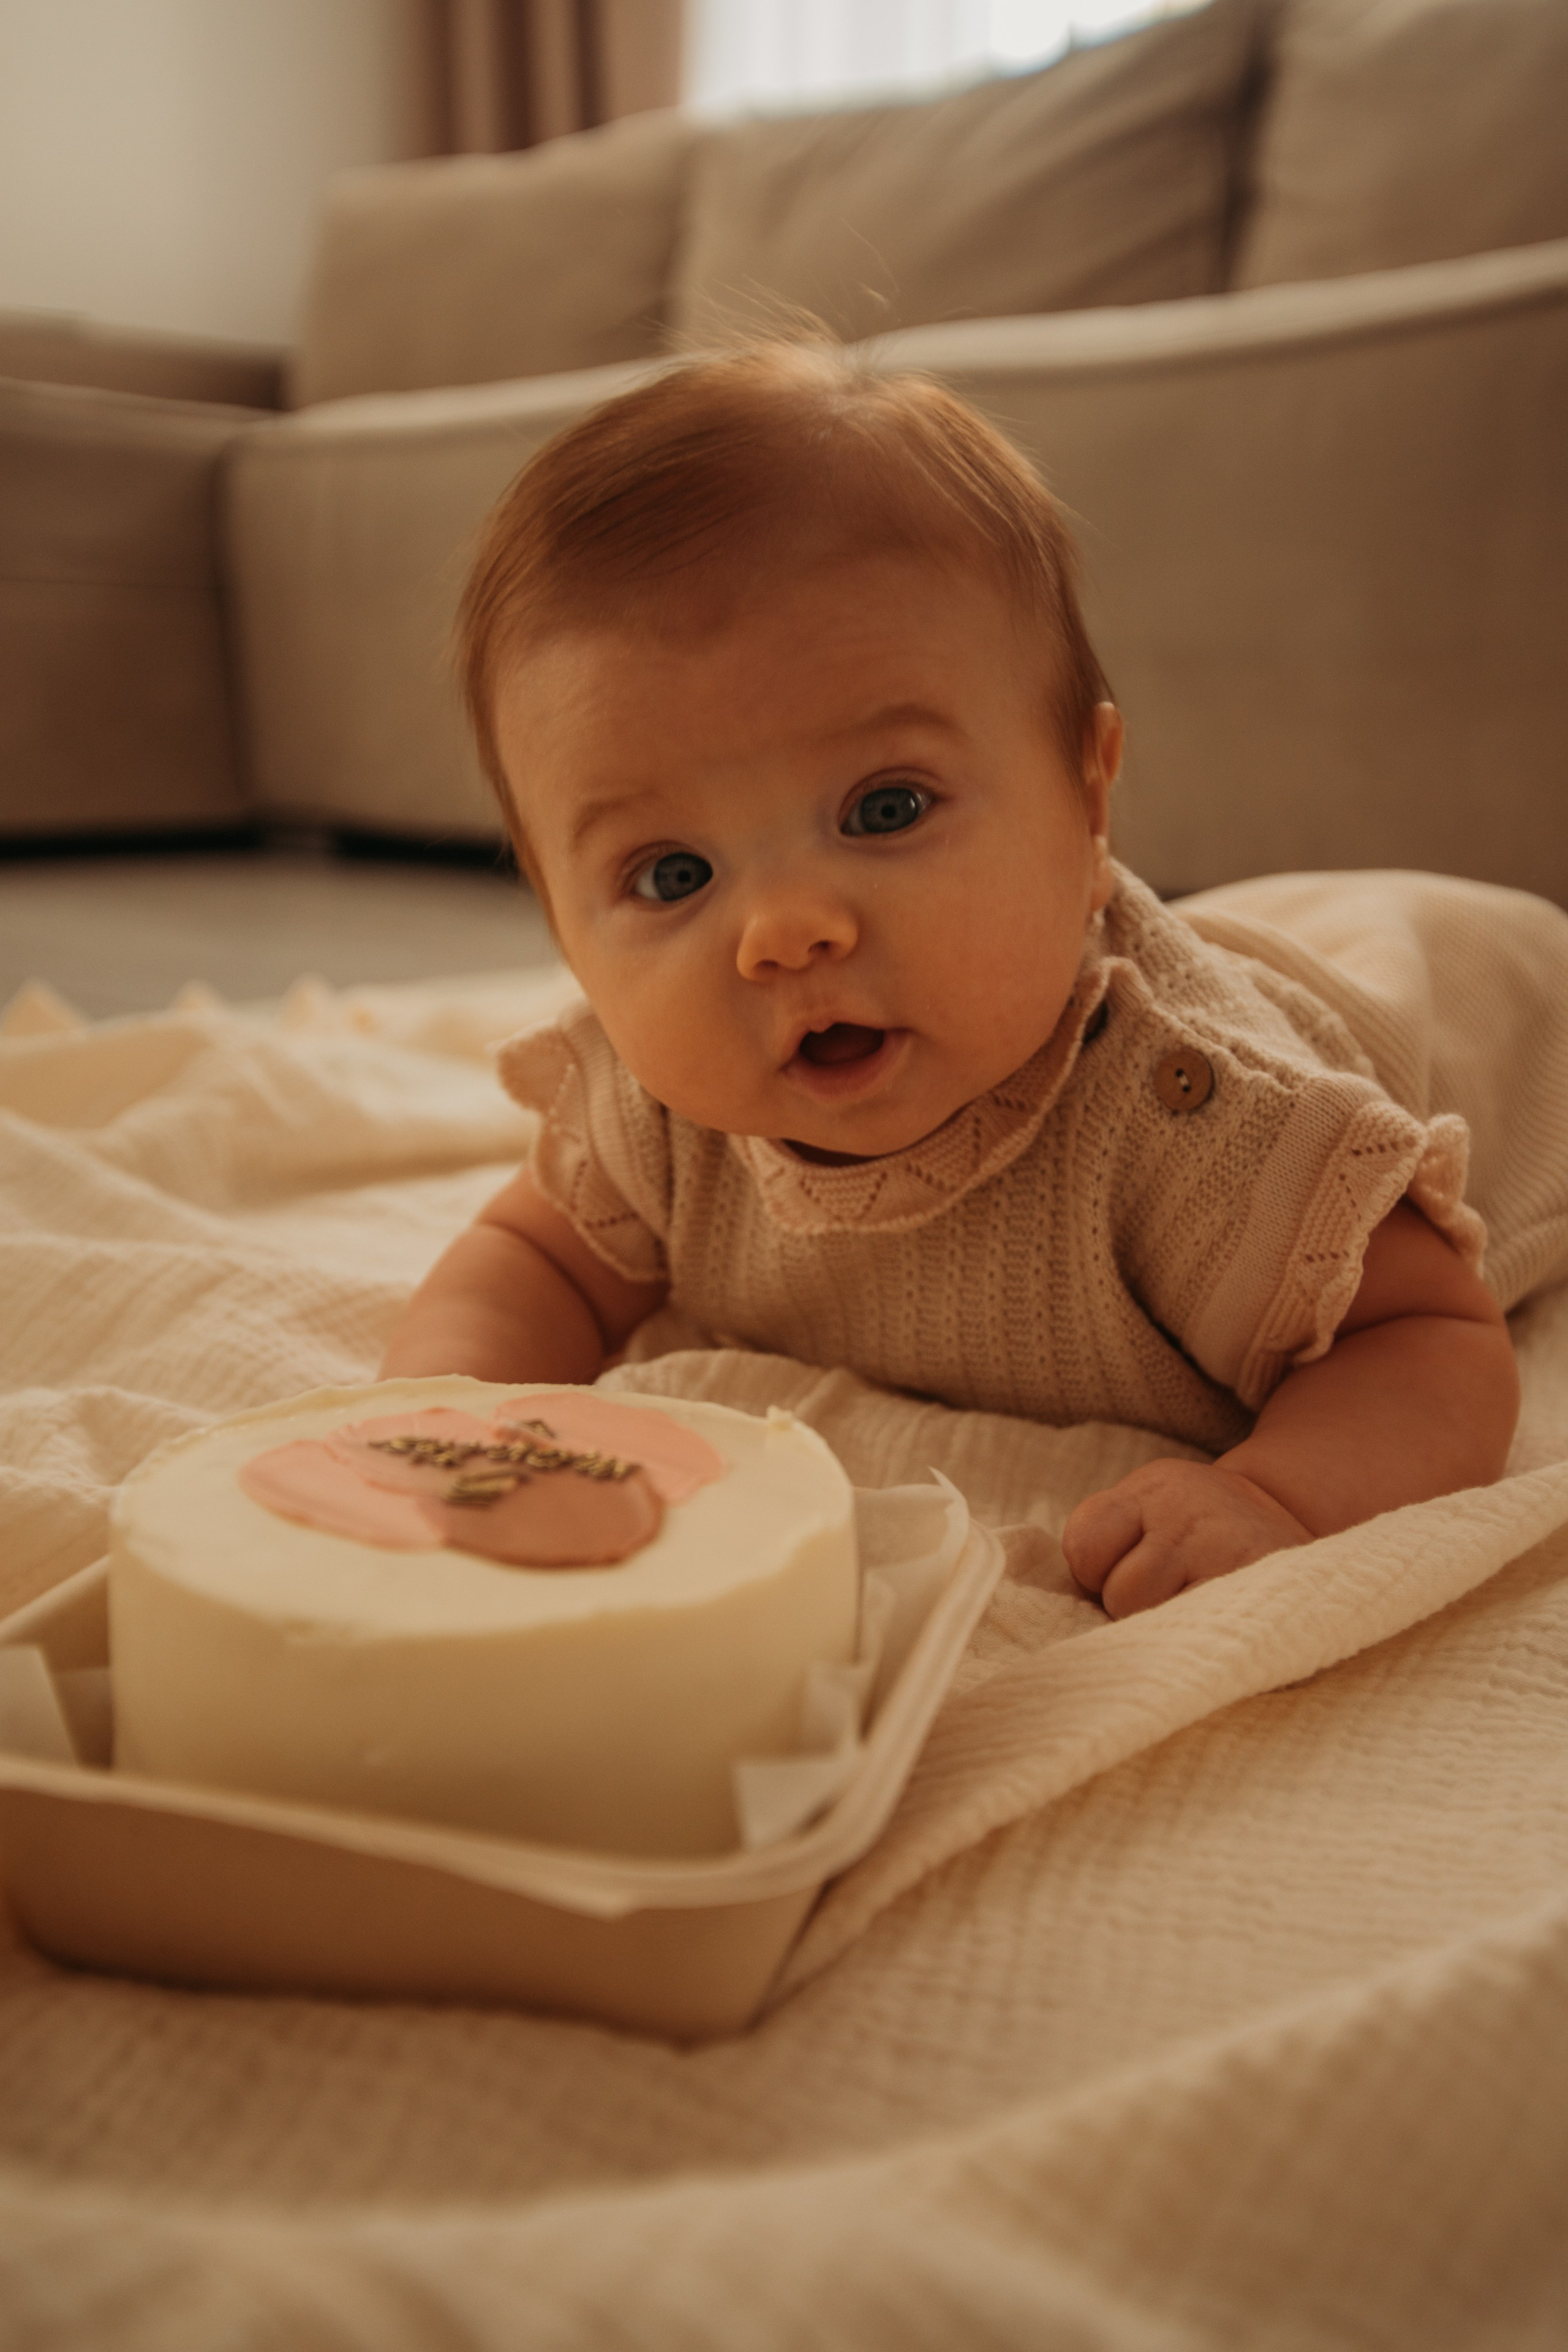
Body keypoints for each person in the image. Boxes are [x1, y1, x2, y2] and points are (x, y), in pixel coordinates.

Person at [382, 342, 1561, 1618]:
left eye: (883, 808)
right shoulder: (654, 1121)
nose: (783, 931)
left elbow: (1428, 1342)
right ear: (560, 930)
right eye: (671, 876)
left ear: (1087, 794)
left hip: (1495, 998)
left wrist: (1274, 1499)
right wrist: (442, 1424)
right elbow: (533, 1263)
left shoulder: (1209, 1125)